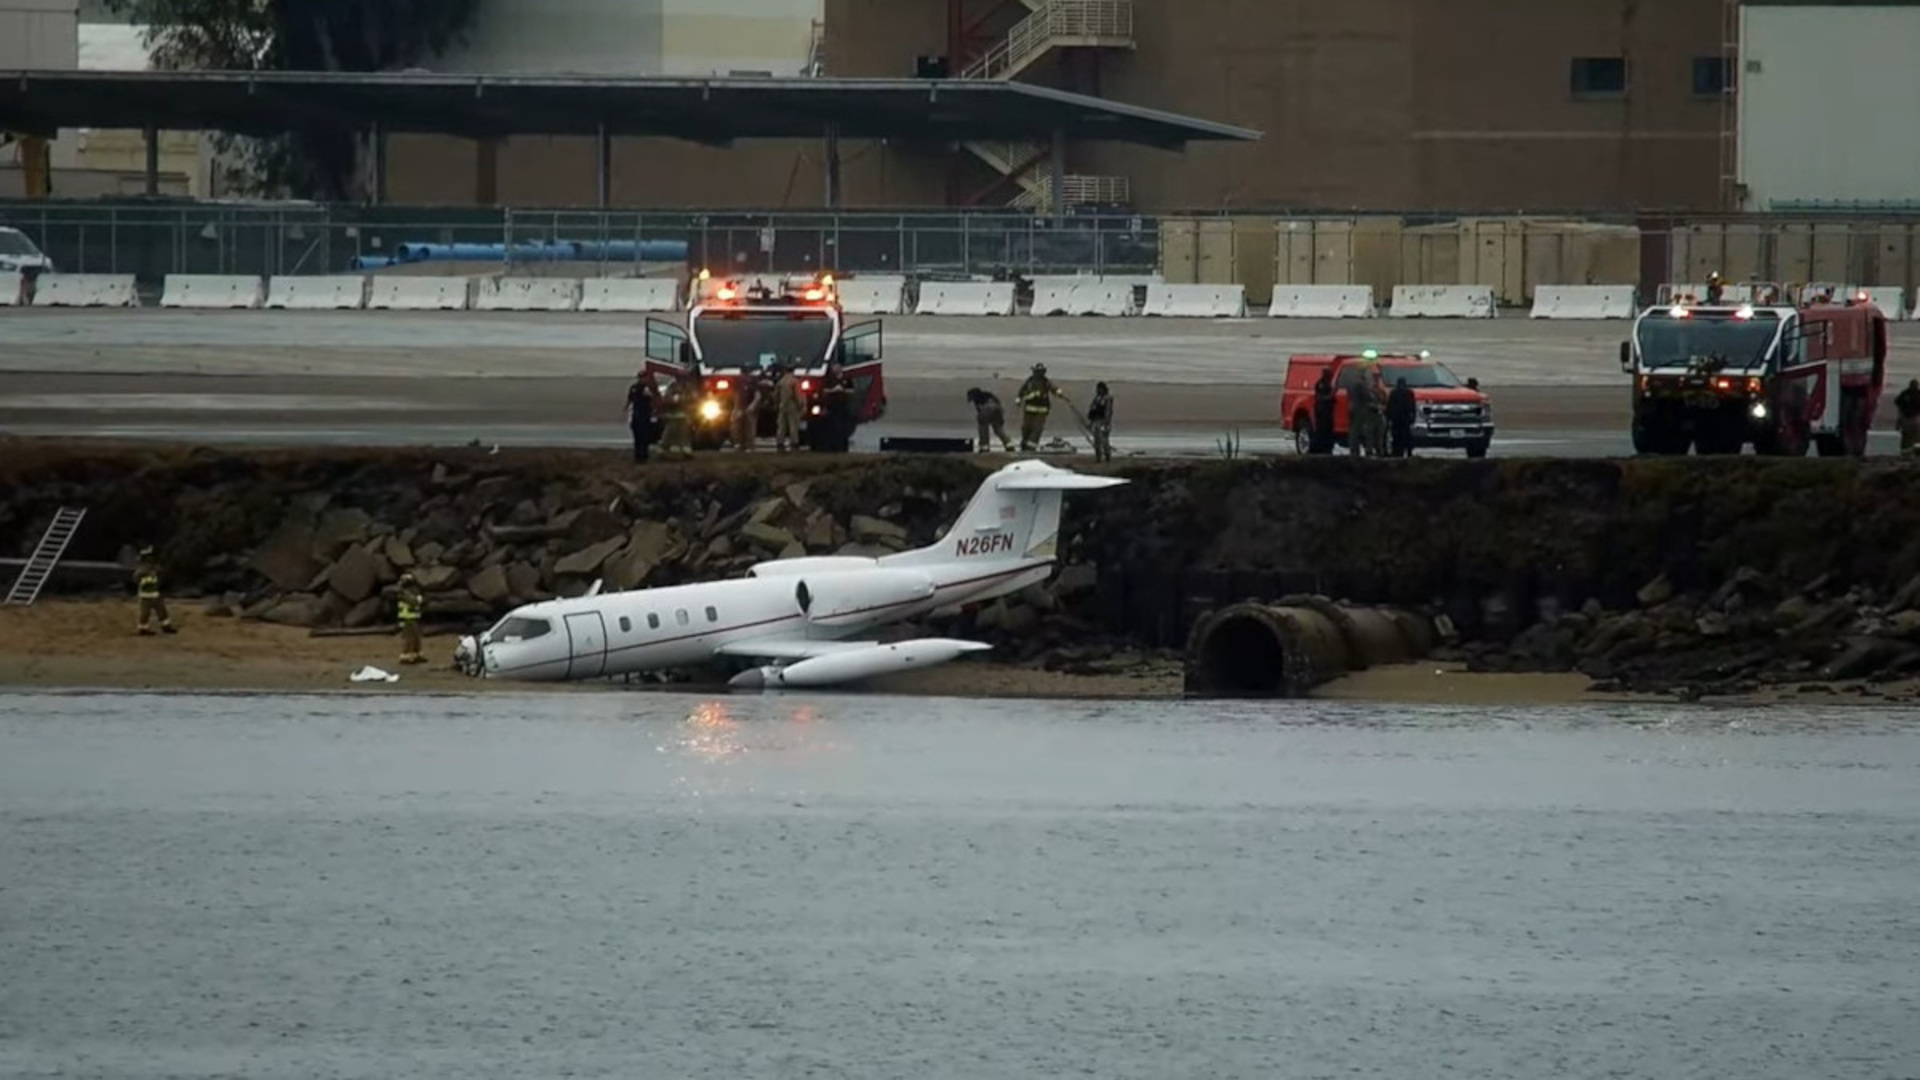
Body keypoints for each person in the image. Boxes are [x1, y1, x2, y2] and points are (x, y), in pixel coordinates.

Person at [1015, 363, 1064, 451]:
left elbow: (1052, 387)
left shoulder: (1045, 381)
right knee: (1026, 427)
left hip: (1042, 410)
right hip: (1029, 409)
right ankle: (1024, 444)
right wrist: (1019, 398)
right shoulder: (1029, 381)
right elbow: (1022, 390)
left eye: (1040, 372)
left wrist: (1058, 391)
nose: (1039, 374)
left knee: (1037, 428)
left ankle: (1031, 446)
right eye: (1037, 372)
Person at [132, 545, 176, 636]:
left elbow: (160, 576)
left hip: (155, 594)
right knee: (145, 613)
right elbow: (136, 578)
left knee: (162, 611)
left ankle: (165, 626)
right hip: (145, 595)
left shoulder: (154, 568)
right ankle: (143, 628)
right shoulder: (142, 569)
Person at [966, 387, 1015, 453]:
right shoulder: (989, 395)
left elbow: (981, 414)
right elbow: (999, 406)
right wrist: (1000, 420)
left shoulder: (977, 399)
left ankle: (984, 447)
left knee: (983, 429)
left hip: (987, 408)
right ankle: (1009, 445)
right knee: (998, 429)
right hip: (998, 409)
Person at [818, 362, 852, 452]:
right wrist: (833, 390)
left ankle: (842, 447)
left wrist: (844, 390)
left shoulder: (846, 379)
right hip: (832, 407)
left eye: (838, 368)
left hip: (843, 407)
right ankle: (831, 447)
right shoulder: (829, 380)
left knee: (843, 428)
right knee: (832, 428)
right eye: (835, 368)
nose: (836, 369)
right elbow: (823, 391)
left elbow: (852, 390)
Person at [624, 369, 655, 463]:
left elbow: (630, 400)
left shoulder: (634, 387)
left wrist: (626, 407)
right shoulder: (645, 388)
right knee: (642, 437)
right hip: (642, 415)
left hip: (637, 415)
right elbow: (651, 398)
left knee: (639, 438)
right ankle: (642, 456)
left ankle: (639, 456)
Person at [1346, 367, 1378, 457]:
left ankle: (1353, 450)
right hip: (1360, 409)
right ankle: (1367, 450)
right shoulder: (1361, 385)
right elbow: (1366, 397)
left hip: (1351, 408)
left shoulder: (1350, 384)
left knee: (1352, 430)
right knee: (1363, 430)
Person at [395, 572, 425, 665]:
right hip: (407, 619)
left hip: (414, 618)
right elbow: (413, 601)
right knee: (409, 639)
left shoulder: (410, 592)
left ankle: (416, 655)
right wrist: (419, 599)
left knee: (416, 638)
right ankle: (406, 656)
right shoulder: (404, 593)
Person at [774, 364, 804, 453]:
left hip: (782, 405)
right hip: (792, 405)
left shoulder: (781, 381)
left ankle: (780, 443)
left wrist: (776, 404)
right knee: (793, 425)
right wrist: (800, 404)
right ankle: (794, 443)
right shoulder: (795, 381)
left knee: (781, 425)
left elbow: (776, 395)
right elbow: (797, 394)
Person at [1386, 375, 1418, 458]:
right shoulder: (1409, 392)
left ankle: (1396, 453)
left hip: (1396, 418)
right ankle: (1408, 452)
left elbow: (1389, 406)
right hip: (1405, 418)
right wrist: (1413, 417)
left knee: (1396, 437)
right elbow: (1413, 406)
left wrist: (1388, 417)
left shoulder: (1394, 392)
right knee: (1406, 437)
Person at [730, 367, 761, 452]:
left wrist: (752, 406)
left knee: (749, 428)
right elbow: (736, 395)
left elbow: (757, 395)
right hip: (742, 406)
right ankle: (741, 444)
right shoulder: (739, 381)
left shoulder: (752, 381)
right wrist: (736, 408)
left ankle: (749, 446)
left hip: (749, 407)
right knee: (739, 427)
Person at [1086, 381, 1115, 463]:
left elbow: (1108, 411)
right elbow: (1092, 410)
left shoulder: (1107, 399)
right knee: (1097, 441)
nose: (1098, 390)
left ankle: (1107, 456)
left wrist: (1106, 423)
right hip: (1096, 421)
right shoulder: (1096, 398)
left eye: (1100, 388)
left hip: (1103, 421)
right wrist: (1091, 422)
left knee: (1104, 440)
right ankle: (1098, 457)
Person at [1310, 368, 1337, 454]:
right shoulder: (1321, 384)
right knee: (1322, 431)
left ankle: (1327, 448)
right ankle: (1322, 449)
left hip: (1327, 411)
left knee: (1328, 431)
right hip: (1322, 412)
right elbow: (1320, 398)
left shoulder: (1327, 384)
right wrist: (1331, 395)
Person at [1897, 378, 1920, 455]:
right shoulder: (1905, 393)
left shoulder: (1915, 393)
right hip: (1908, 417)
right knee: (1907, 436)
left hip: (1914, 417)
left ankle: (1914, 452)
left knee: (1914, 436)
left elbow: (1898, 403)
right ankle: (1905, 451)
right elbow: (1898, 402)